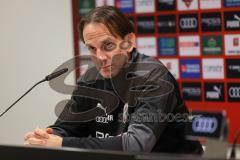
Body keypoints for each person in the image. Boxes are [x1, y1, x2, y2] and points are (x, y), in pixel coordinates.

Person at [24, 6, 203, 154]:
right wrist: (46, 137)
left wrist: (61, 143)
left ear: (129, 41)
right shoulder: (90, 78)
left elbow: (136, 145)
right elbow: (67, 128)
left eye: (108, 45)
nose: (100, 57)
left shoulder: (154, 78)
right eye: (92, 49)